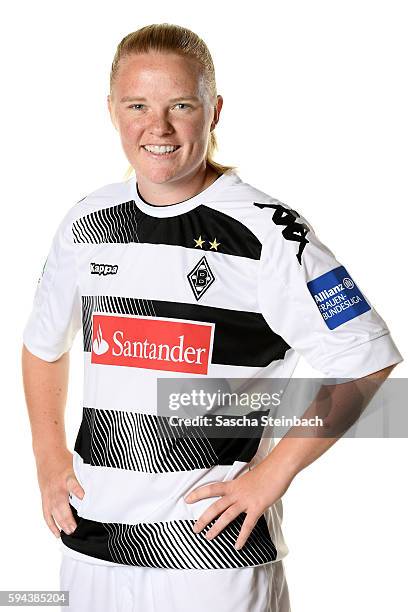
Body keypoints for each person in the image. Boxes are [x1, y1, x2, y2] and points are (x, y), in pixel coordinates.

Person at [21, 23, 403, 612]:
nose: (159, 127)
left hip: (209, 550)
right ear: (112, 111)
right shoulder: (85, 222)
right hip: (90, 538)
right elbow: (43, 345)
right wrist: (49, 458)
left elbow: (366, 364)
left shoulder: (267, 231)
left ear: (213, 110)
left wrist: (273, 475)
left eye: (181, 105)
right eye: (138, 106)